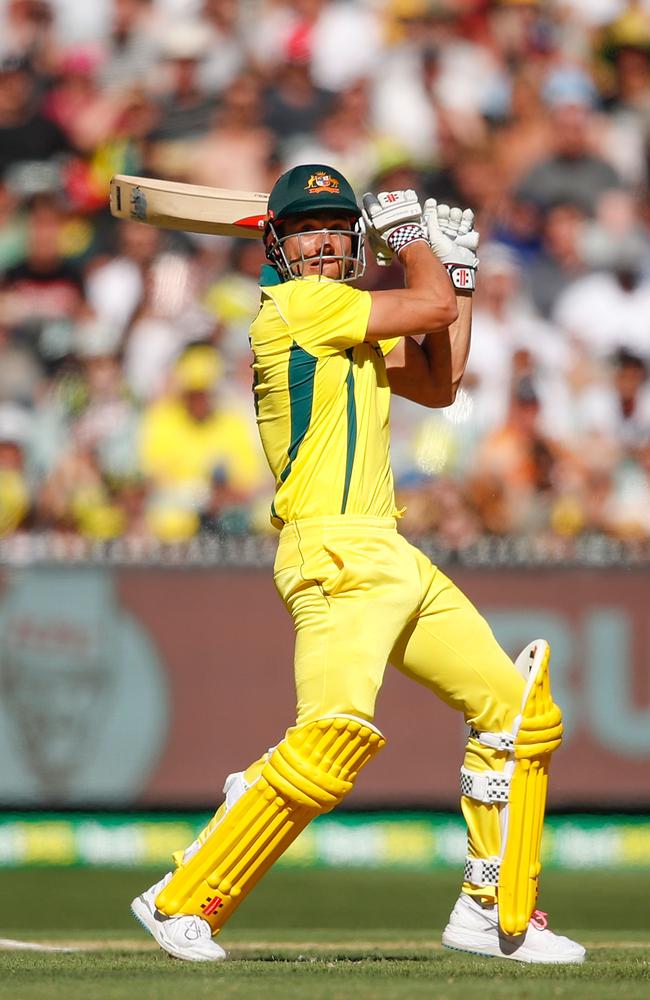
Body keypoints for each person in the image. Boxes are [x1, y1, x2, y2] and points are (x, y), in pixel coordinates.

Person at [130, 163, 585, 965]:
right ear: (277, 244)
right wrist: (416, 243)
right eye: (308, 228)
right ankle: (181, 900)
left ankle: (493, 911)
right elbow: (429, 305)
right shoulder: (300, 307)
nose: (327, 241)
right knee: (330, 740)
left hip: (388, 548)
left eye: (339, 227)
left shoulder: (349, 329)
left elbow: (441, 379)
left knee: (518, 715)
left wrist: (460, 275)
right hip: (332, 547)